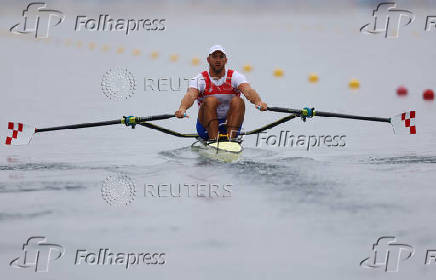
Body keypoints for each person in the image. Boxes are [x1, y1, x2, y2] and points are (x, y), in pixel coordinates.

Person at [175, 45, 267, 141]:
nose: (218, 60)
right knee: (211, 100)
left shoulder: (235, 77)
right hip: (205, 127)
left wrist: (258, 101)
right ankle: (213, 140)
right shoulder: (200, 79)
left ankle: (230, 140)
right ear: (208, 60)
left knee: (238, 101)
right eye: (214, 57)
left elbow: (248, 91)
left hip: (230, 124)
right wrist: (183, 108)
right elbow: (190, 95)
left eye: (221, 56)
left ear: (226, 60)